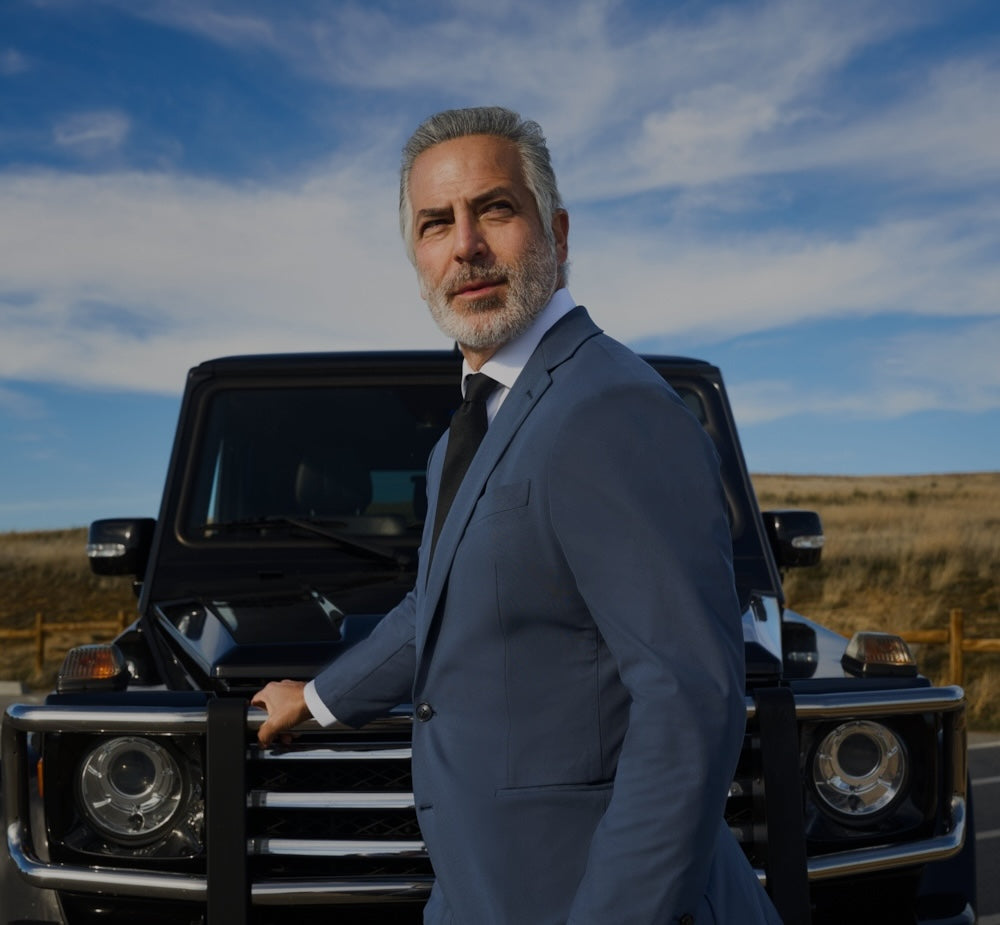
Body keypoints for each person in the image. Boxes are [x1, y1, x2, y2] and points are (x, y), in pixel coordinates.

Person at [252, 106, 782, 925]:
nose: (465, 245)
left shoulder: (609, 407)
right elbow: (440, 601)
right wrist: (318, 699)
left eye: (494, 209)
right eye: (436, 223)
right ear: (417, 257)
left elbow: (688, 700)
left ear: (558, 233)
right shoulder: (474, 427)